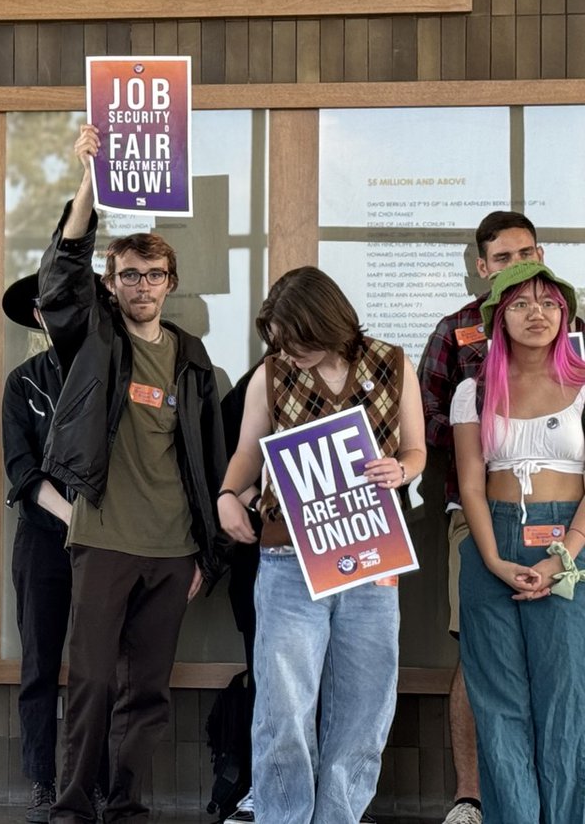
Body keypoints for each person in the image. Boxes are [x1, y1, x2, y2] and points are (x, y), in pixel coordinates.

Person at [38, 125, 226, 823]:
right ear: (112, 285)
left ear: (170, 282)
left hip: (173, 552)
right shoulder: (96, 339)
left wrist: (207, 551)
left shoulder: (193, 357)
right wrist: (89, 179)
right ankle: (72, 807)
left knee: (146, 691)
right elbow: (60, 276)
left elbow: (206, 460)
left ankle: (126, 806)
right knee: (88, 683)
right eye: (128, 276)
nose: (142, 286)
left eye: (153, 275)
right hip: (105, 539)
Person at [217, 266, 425, 824]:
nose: (288, 349)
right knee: (283, 704)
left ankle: (341, 815)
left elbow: (417, 451)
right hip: (288, 556)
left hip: (370, 551)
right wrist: (228, 495)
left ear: (328, 321)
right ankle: (283, 816)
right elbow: (247, 452)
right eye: (279, 338)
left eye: (297, 336)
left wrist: (399, 471)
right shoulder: (272, 372)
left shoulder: (392, 363)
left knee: (366, 704)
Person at [416, 211, 573, 824]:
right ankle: (473, 795)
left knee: (565, 675)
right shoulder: (457, 336)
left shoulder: (571, 330)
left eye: (529, 254)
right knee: (482, 662)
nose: (521, 274)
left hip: (567, 526)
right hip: (477, 514)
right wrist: (479, 438)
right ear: (483, 271)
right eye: (504, 261)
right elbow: (429, 422)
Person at [451, 261, 585, 823]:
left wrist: (566, 557)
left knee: (566, 698)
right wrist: (493, 560)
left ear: (567, 314)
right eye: (523, 304)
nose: (538, 314)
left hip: (569, 543)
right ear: (498, 316)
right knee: (499, 701)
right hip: (492, 541)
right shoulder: (473, 389)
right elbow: (471, 488)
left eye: (550, 303)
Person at [1, 273, 86, 823]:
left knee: (99, 668)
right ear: (36, 315)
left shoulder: (113, 371)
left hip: (112, 542)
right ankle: (41, 781)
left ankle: (92, 782)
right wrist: (69, 513)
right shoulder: (22, 382)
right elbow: (20, 468)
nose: (56, 312)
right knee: (40, 662)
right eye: (46, 305)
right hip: (43, 536)